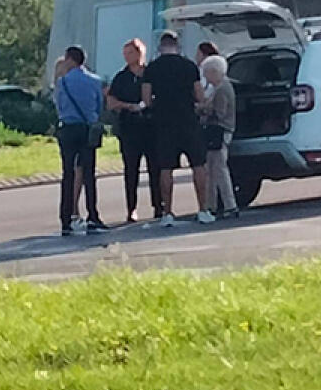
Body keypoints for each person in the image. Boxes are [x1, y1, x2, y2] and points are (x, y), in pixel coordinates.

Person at [142, 30, 214, 226]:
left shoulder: (152, 68)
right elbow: (199, 95)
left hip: (164, 123)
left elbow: (147, 100)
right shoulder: (189, 66)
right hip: (188, 121)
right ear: (177, 46)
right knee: (198, 165)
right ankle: (203, 209)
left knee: (165, 168)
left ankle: (167, 213)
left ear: (160, 47)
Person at [54, 45, 108, 236]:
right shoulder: (95, 81)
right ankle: (93, 215)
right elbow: (99, 105)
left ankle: (66, 219)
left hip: (68, 128)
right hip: (88, 129)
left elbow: (59, 105)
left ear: (70, 59)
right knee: (88, 173)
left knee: (68, 173)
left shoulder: (63, 83)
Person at [106, 38, 161, 222]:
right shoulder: (121, 77)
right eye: (125, 53)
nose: (127, 57)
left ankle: (158, 205)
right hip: (129, 129)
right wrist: (128, 106)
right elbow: (111, 102)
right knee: (131, 170)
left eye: (130, 53)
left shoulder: (151, 73)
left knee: (155, 168)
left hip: (151, 128)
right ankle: (131, 208)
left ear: (139, 53)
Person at [199, 54, 239, 219]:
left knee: (218, 169)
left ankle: (227, 205)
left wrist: (204, 109)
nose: (205, 76)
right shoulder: (222, 87)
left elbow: (219, 113)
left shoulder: (222, 89)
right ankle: (213, 204)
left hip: (219, 132)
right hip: (222, 131)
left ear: (214, 72)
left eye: (207, 72)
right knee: (214, 170)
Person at [53, 54, 86, 229]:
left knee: (70, 172)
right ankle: (74, 209)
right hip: (81, 127)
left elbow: (59, 109)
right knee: (79, 171)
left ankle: (70, 211)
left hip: (65, 129)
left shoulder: (60, 87)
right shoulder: (76, 83)